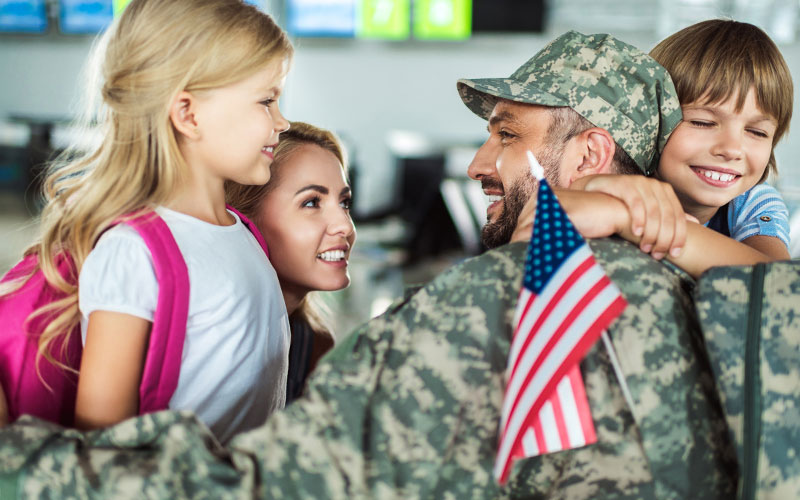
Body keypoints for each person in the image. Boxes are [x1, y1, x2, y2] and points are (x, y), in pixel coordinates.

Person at [0, 32, 746, 498]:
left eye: (504, 134)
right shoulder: (690, 294)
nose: (481, 162)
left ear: (587, 155)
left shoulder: (502, 301)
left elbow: (270, 484)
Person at [0, 0, 293, 442]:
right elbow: (103, 449)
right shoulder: (134, 253)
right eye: (267, 101)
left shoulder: (245, 233)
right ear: (188, 114)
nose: (282, 121)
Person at [561, 20, 792, 270]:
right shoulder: (617, 173)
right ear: (649, 121)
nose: (732, 149)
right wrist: (590, 186)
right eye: (703, 123)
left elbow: (777, 279)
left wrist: (628, 220)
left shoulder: (752, 202)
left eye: (757, 132)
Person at [225, 122, 356, 403]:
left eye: (344, 203)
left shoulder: (314, 345)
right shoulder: (216, 341)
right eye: (311, 202)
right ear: (246, 218)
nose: (344, 225)